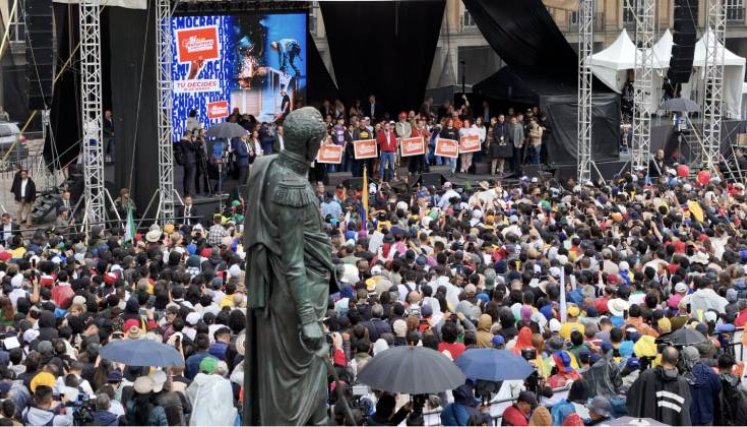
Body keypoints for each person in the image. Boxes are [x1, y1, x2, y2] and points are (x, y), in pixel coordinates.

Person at [244, 107, 333, 425]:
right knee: (293, 383)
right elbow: (294, 261)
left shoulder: (265, 166)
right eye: (320, 141)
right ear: (311, 144)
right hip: (297, 299)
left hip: (287, 292)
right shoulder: (294, 188)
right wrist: (308, 318)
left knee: (310, 376)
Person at [627, 346, 692, 425]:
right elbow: (686, 409)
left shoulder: (646, 376)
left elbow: (632, 397)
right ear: (676, 361)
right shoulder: (682, 383)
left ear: (661, 358)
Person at [186, 357, 237, 426]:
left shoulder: (195, 384)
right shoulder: (224, 384)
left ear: (200, 369)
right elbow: (228, 408)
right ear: (215, 369)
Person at [682, 345, 721, 426]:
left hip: (690, 419)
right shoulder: (712, 373)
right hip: (707, 417)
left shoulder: (683, 378)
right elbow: (717, 393)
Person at [179, 131, 197, 197]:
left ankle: (186, 193)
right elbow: (194, 148)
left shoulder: (181, 142)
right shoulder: (186, 142)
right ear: (188, 135)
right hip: (190, 161)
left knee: (186, 177)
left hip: (185, 161)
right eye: (190, 136)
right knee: (190, 178)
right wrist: (193, 141)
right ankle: (188, 193)